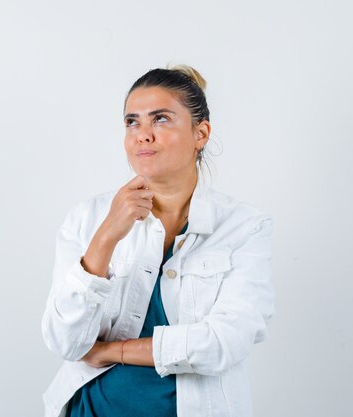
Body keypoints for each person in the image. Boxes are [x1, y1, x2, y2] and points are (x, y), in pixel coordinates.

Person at [41, 64, 275, 417]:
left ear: (201, 133)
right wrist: (106, 237)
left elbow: (226, 342)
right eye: (132, 122)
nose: (142, 135)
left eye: (161, 119)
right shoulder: (87, 218)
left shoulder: (244, 227)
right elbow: (65, 341)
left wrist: (112, 351)